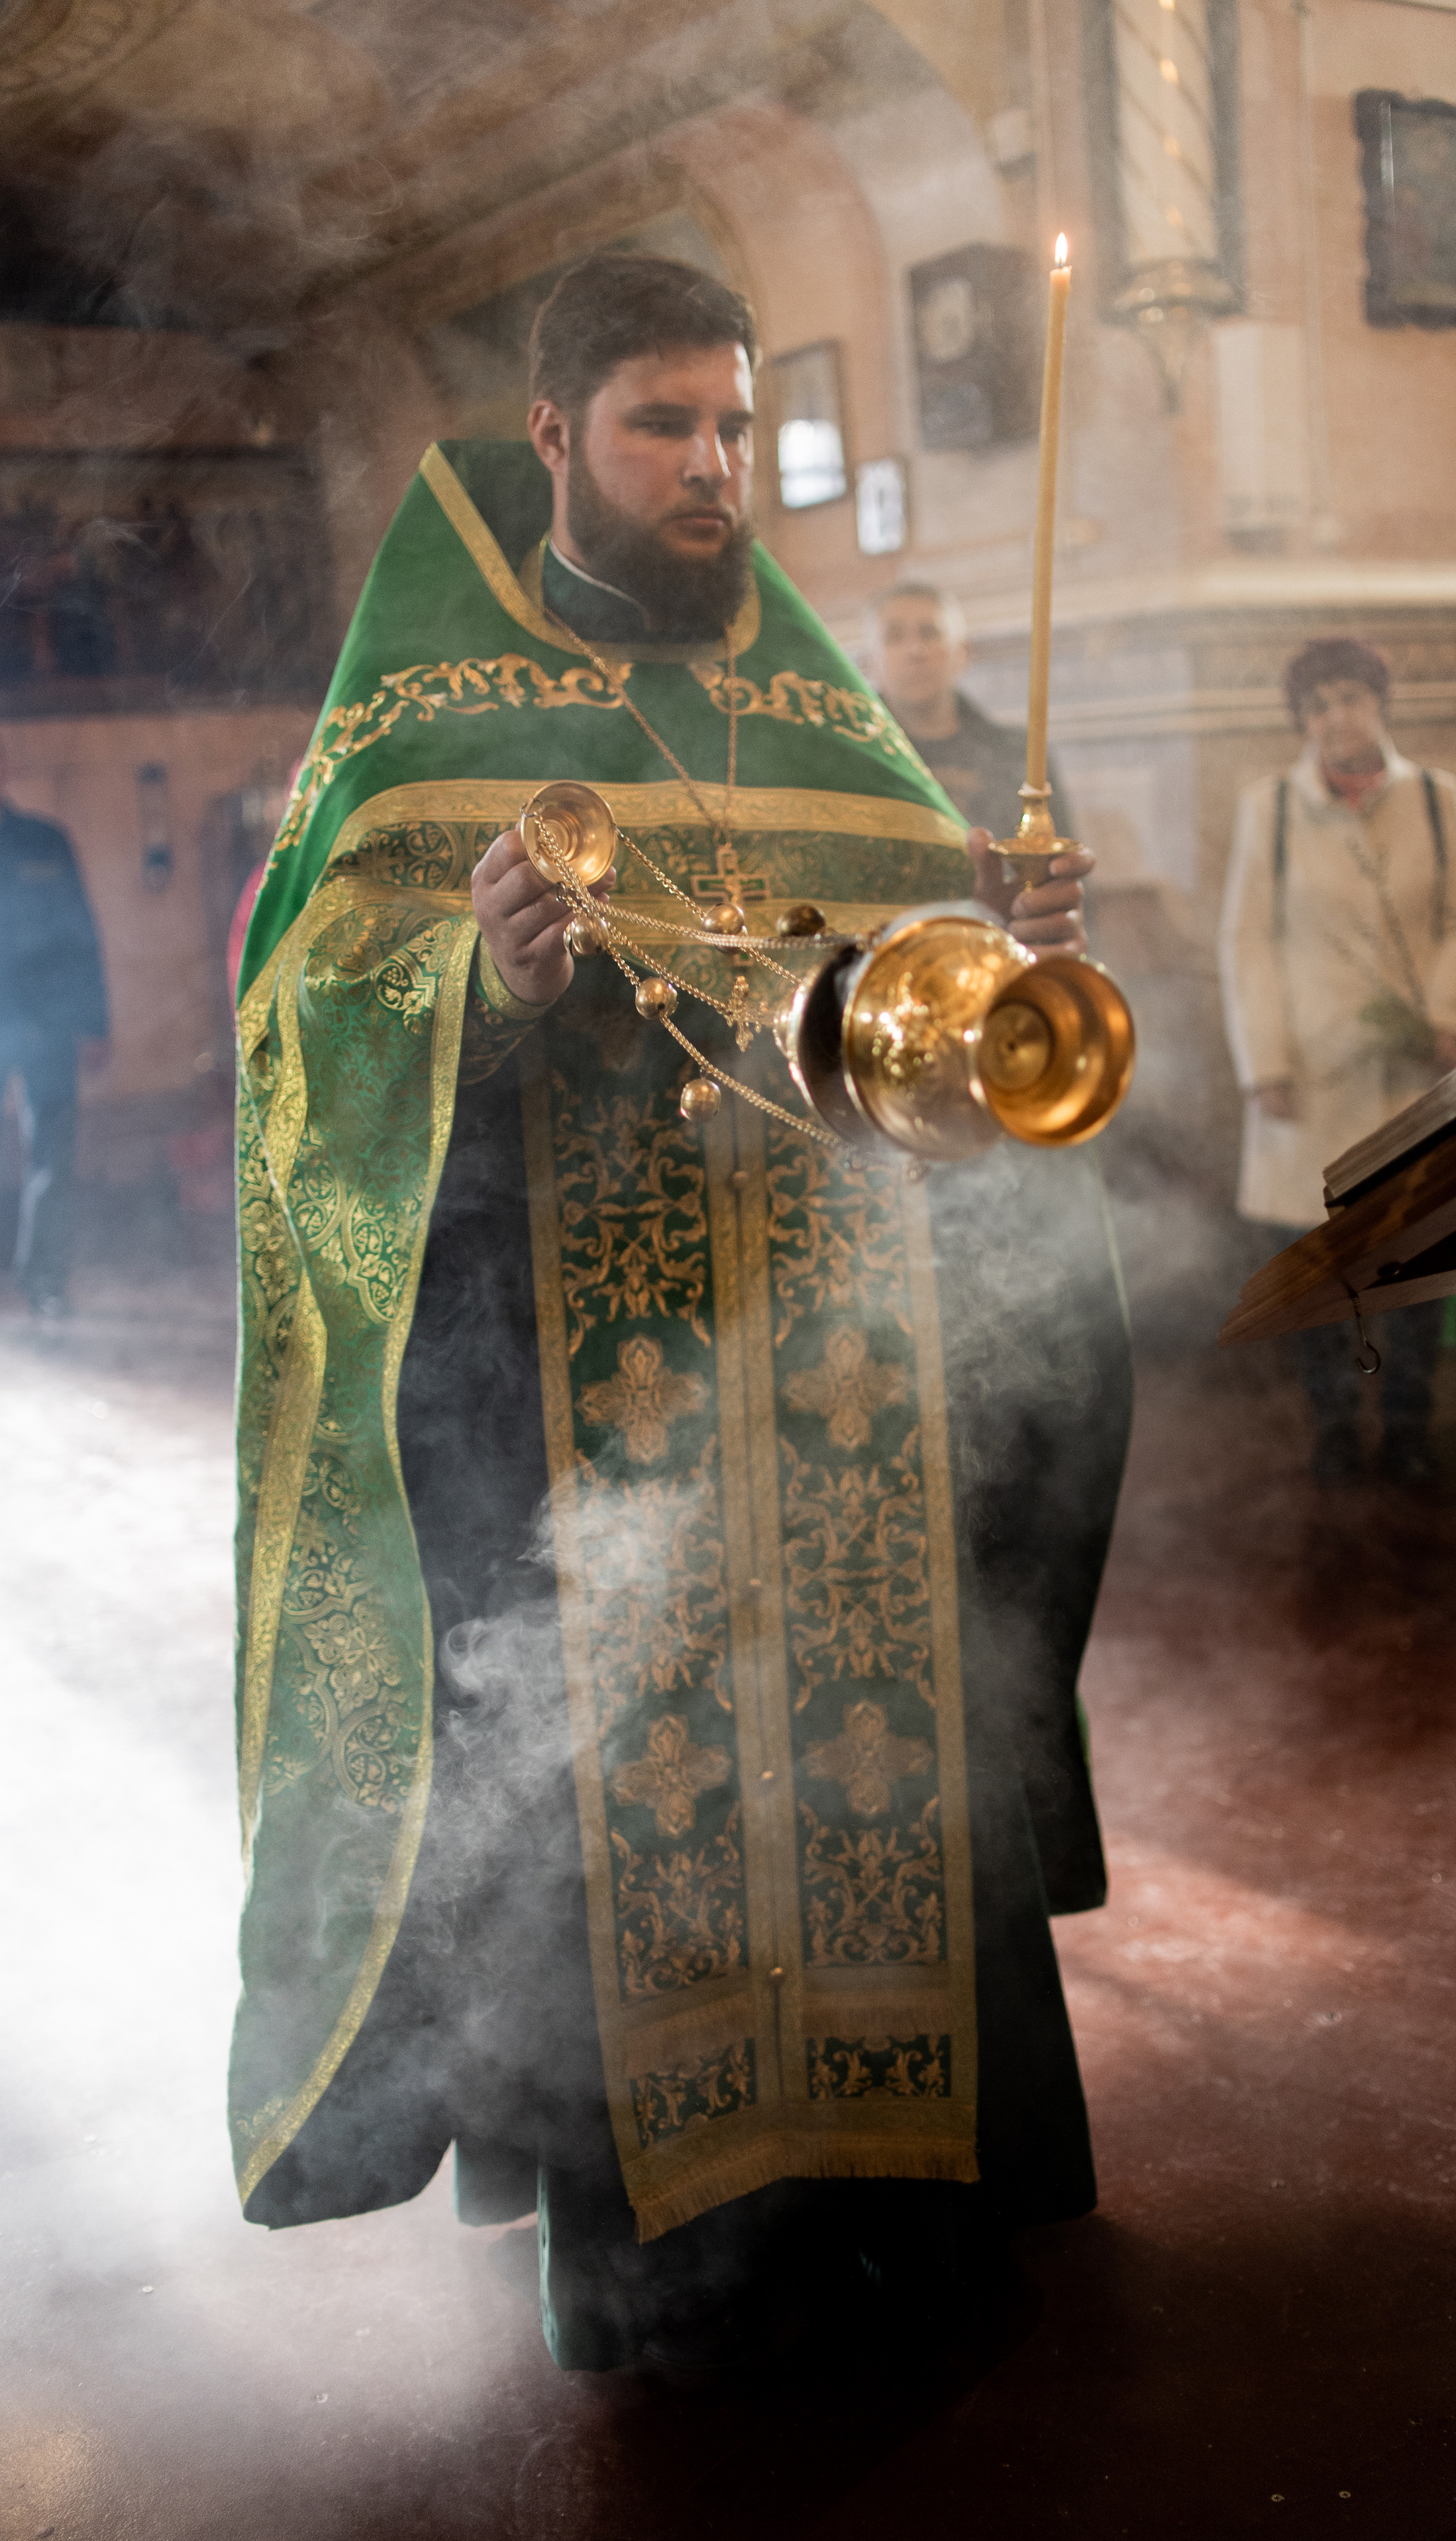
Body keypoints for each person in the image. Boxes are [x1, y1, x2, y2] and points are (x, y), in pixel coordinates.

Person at [229, 251, 1131, 2378]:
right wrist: (486, 987)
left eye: (732, 425)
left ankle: (923, 2199)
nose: (715, 466)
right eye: (665, 425)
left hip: (852, 1383)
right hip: (580, 1414)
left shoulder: (820, 713)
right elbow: (297, 1039)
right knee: (628, 1799)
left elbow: (902, 1023)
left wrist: (990, 956)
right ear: (553, 438)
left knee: (885, 1779)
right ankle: (665, 2264)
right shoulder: (428, 723)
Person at [1218, 637, 1456, 1487]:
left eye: (1351, 698)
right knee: (1312, 1259)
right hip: (1309, 1073)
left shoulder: (1439, 801)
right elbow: (1247, 943)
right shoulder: (1268, 807)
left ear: (1381, 703)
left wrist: (1446, 1015)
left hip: (1413, 1071)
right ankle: (1334, 1425)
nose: (1337, 717)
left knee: (1416, 1253)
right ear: (1302, 720)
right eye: (1319, 704)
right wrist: (1265, 1061)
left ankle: (1408, 1419)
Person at [0, 735, 109, 1317]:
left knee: (53, 1155)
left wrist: (95, 1022)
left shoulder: (45, 841)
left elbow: (81, 935)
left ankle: (44, 1279)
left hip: (48, 1022)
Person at [864, 579, 1076, 843]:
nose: (915, 651)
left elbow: (1060, 861)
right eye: (894, 637)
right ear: (870, 662)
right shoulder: (856, 757)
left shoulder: (1020, 754)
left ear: (963, 653)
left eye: (930, 633)